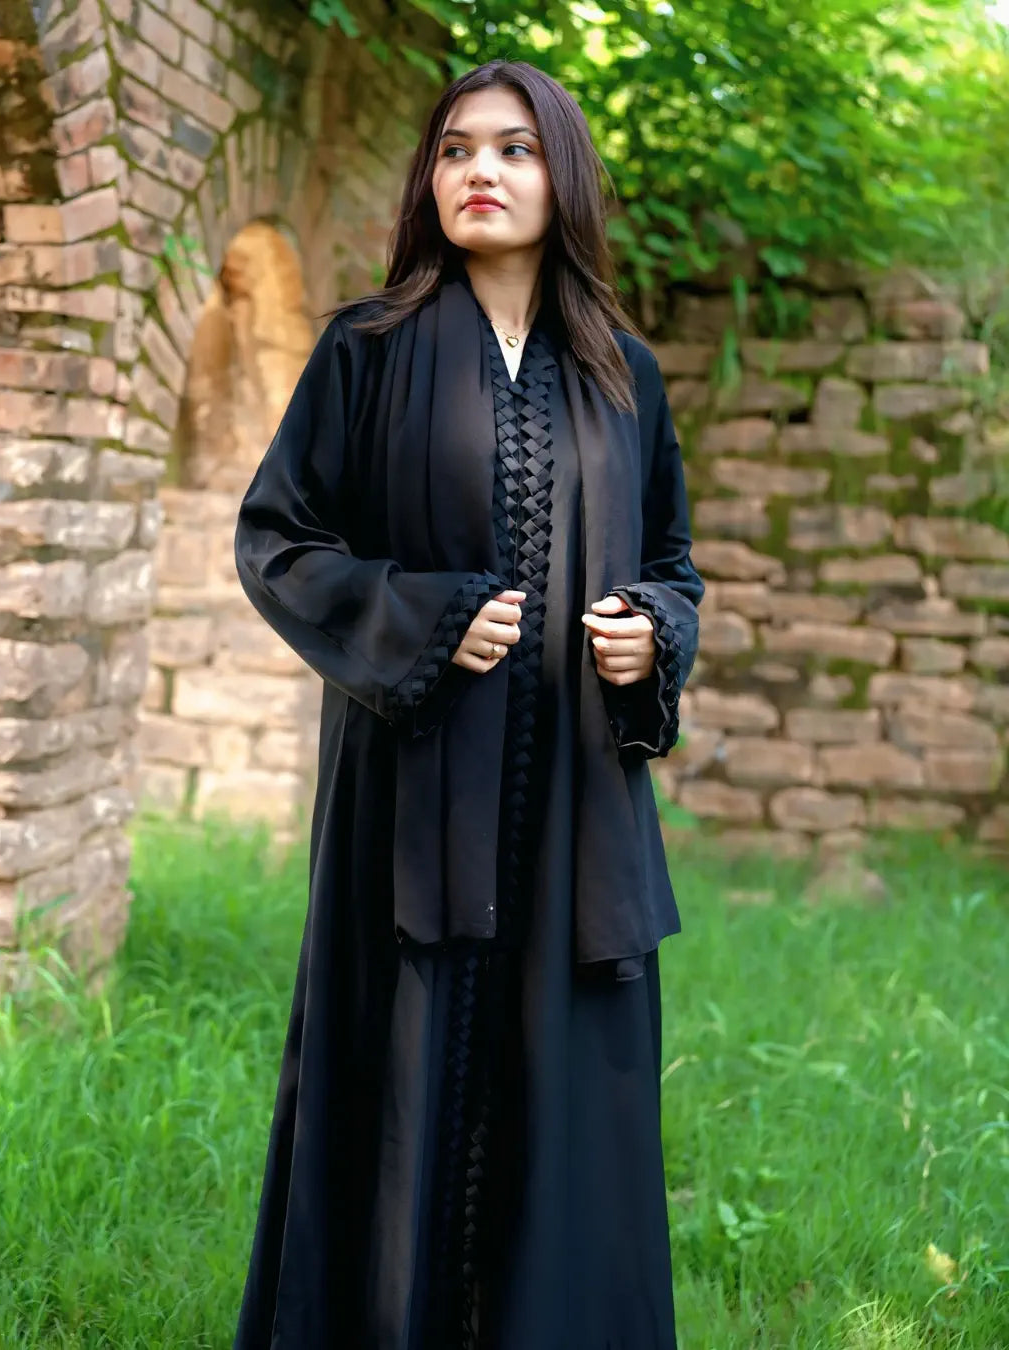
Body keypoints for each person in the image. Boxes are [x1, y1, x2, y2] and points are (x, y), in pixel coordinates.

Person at [231, 56, 704, 1350]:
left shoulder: (626, 378)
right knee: (404, 1085)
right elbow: (280, 541)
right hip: (409, 814)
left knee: (557, 1096)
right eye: (453, 150)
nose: (478, 171)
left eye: (512, 148)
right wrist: (425, 620)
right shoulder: (365, 351)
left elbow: (676, 568)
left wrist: (650, 638)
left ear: (564, 176)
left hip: (574, 816)